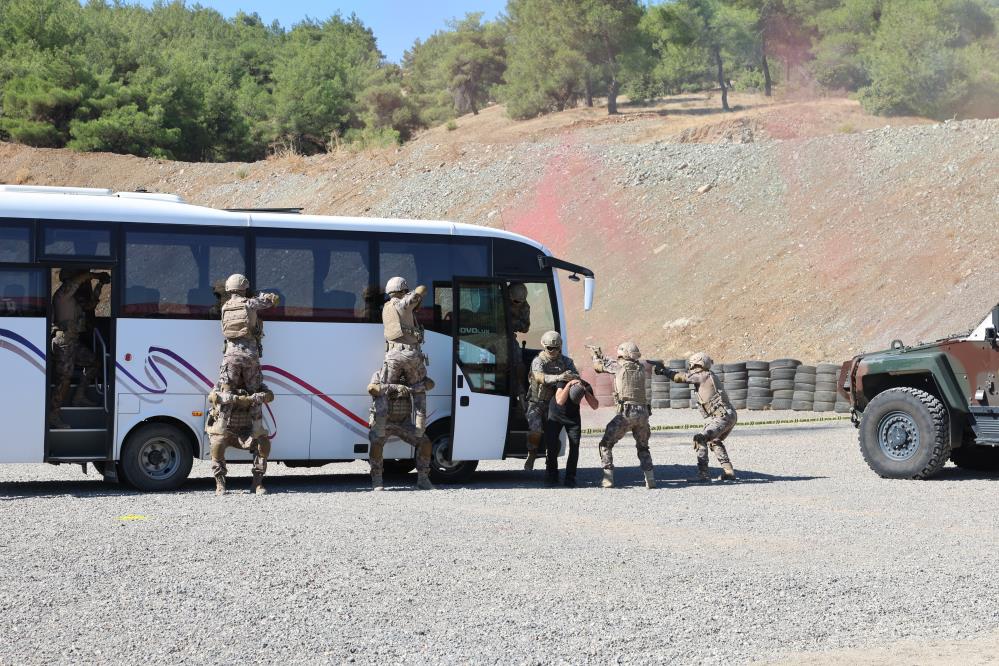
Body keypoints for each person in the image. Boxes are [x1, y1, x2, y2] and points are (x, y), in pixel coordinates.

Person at [592, 341, 659, 489]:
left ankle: (608, 479)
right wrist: (603, 356)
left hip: (627, 413)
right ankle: (650, 479)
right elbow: (617, 363)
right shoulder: (640, 367)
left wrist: (596, 358)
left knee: (606, 444)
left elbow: (598, 368)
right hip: (643, 413)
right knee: (643, 447)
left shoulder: (618, 367)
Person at [49, 269, 109, 428]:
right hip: (64, 341)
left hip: (73, 341)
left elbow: (91, 305)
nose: (82, 285)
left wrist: (100, 285)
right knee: (64, 380)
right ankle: (53, 416)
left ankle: (79, 397)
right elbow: (78, 279)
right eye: (79, 282)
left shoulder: (73, 299)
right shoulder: (63, 295)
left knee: (94, 362)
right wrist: (94, 275)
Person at [666, 352, 738, 482]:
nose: (691, 368)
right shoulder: (710, 375)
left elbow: (679, 378)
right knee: (714, 440)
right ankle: (729, 471)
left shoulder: (702, 376)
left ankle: (703, 475)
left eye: (692, 365)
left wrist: (665, 371)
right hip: (729, 415)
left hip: (721, 416)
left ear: (697, 364)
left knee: (700, 439)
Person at [366, 369, 435, 491]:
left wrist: (413, 387)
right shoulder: (380, 374)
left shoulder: (411, 376)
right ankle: (377, 480)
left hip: (404, 423)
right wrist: (394, 387)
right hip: (384, 422)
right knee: (376, 444)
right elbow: (372, 389)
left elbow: (430, 384)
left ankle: (423, 480)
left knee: (425, 443)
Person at [205, 381, 274, 495]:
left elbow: (270, 396)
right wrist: (234, 398)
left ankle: (257, 483)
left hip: (246, 432)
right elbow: (212, 397)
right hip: (226, 431)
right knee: (217, 445)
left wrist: (254, 397)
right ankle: (220, 484)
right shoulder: (224, 383)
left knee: (263, 443)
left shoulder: (255, 385)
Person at [381, 276, 429, 434]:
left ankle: (380, 425)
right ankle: (419, 429)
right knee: (419, 390)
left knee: (384, 391)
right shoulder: (403, 304)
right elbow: (422, 289)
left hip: (392, 355)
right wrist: (411, 293)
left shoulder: (386, 307)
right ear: (403, 291)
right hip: (410, 354)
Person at [525, 330, 579, 470]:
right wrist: (559, 377)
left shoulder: (566, 361)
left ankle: (550, 462)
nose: (553, 351)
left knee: (552, 436)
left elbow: (577, 376)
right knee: (535, 430)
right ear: (544, 346)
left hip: (554, 404)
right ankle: (532, 454)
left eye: (556, 348)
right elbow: (539, 377)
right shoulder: (538, 361)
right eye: (549, 348)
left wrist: (571, 377)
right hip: (536, 402)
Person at [218, 274, 279, 394]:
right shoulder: (250, 303)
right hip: (249, 355)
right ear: (244, 288)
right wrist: (265, 295)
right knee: (255, 394)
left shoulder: (224, 307)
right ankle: (254, 412)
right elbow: (271, 301)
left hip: (230, 355)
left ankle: (225, 412)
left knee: (226, 394)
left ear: (228, 288)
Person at [544, 378, 598, 487]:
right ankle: (552, 474)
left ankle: (570, 477)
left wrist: (585, 391)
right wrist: (568, 385)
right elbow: (559, 401)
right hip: (556, 414)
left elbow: (595, 406)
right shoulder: (563, 382)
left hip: (573, 417)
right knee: (552, 444)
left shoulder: (586, 385)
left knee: (574, 446)